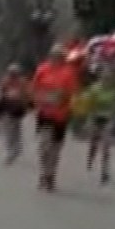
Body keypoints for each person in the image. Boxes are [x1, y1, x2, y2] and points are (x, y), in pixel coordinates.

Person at [32, 44, 80, 192]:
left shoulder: (69, 72)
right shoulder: (42, 69)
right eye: (54, 55)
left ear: (63, 57)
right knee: (43, 146)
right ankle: (43, 173)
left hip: (60, 115)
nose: (56, 58)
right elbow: (34, 88)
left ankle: (50, 175)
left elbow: (73, 93)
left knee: (55, 149)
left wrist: (68, 104)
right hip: (44, 113)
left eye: (59, 56)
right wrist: (39, 100)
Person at [86, 70, 115, 185]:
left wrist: (112, 119)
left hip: (107, 120)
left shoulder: (113, 91)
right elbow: (89, 105)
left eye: (109, 79)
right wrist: (90, 119)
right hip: (95, 118)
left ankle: (105, 172)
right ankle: (90, 159)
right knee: (93, 144)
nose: (107, 80)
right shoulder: (94, 89)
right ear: (101, 78)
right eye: (105, 78)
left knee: (106, 147)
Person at [0, 63, 30, 165]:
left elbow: (26, 96)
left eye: (14, 72)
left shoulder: (22, 82)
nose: (12, 74)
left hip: (17, 110)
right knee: (9, 131)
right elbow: (0, 93)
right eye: (11, 72)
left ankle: (15, 149)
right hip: (8, 109)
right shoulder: (6, 81)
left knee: (15, 130)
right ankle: (12, 151)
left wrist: (25, 107)